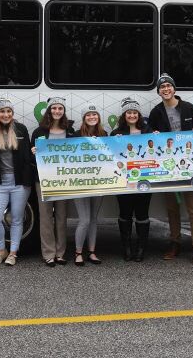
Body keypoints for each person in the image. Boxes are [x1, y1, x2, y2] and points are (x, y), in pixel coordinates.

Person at [148, 73, 193, 266]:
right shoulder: (156, 112)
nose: (166, 89)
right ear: (159, 92)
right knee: (172, 208)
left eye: (168, 86)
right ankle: (175, 243)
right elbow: (149, 136)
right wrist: (153, 134)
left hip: (190, 166)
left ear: (174, 89)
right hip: (167, 167)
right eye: (162, 87)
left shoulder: (189, 108)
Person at [0, 98, 34, 267]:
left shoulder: (21, 129)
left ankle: (13, 253)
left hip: (20, 183)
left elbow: (27, 156)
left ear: (12, 113)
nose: (6, 115)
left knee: (17, 219)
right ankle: (1, 250)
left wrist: (28, 180)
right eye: (2, 112)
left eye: (9, 111)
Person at [30, 97, 75, 267]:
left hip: (64, 179)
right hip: (43, 179)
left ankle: (60, 253)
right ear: (49, 111)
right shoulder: (39, 132)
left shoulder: (70, 131)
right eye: (54, 108)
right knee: (46, 216)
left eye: (60, 108)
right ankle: (48, 253)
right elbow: (30, 157)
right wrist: (33, 152)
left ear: (63, 111)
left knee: (62, 216)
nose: (57, 111)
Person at [110, 96, 153, 262]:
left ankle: (141, 249)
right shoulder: (116, 134)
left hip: (145, 181)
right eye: (129, 112)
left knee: (142, 214)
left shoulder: (148, 132)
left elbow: (157, 150)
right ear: (124, 115)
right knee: (125, 214)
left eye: (135, 112)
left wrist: (156, 137)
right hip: (124, 182)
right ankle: (126, 248)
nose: (132, 115)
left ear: (139, 115)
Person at [73, 103, 107, 266]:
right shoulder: (75, 135)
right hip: (80, 183)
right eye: (88, 115)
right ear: (84, 118)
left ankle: (92, 252)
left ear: (98, 117)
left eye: (94, 114)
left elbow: (111, 155)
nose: (92, 117)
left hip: (99, 181)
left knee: (93, 218)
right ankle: (78, 252)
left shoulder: (104, 134)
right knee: (84, 219)